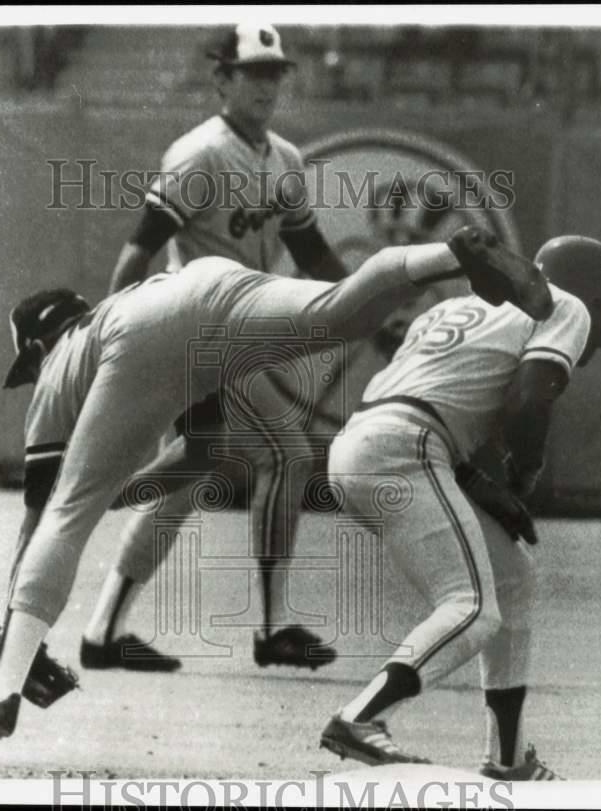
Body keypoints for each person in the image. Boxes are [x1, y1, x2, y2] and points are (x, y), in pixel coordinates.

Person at [0, 225, 553, 742]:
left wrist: (14, 634)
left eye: (28, 364)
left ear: (39, 344)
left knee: (64, 514)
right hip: (209, 286)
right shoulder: (128, 311)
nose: (31, 377)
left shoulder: (62, 361)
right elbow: (201, 456)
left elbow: (39, 521)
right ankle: (451, 252)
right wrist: (116, 486)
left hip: (145, 335)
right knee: (337, 312)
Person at [81, 23, 355, 673]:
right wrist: (111, 336)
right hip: (196, 330)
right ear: (223, 80)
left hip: (233, 332)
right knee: (286, 454)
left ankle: (101, 632)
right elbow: (138, 249)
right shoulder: (198, 154)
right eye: (253, 72)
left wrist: (368, 296)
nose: (267, 84)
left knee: (188, 475)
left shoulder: (285, 159)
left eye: (275, 72)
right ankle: (270, 627)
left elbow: (313, 252)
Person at [318, 235, 601, 780]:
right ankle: (361, 718)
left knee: (512, 580)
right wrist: (525, 468)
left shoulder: (458, 306)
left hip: (366, 442)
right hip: (406, 447)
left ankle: (508, 761)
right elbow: (531, 397)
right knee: (471, 607)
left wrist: (475, 482)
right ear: (589, 292)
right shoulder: (567, 305)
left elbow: (430, 392)